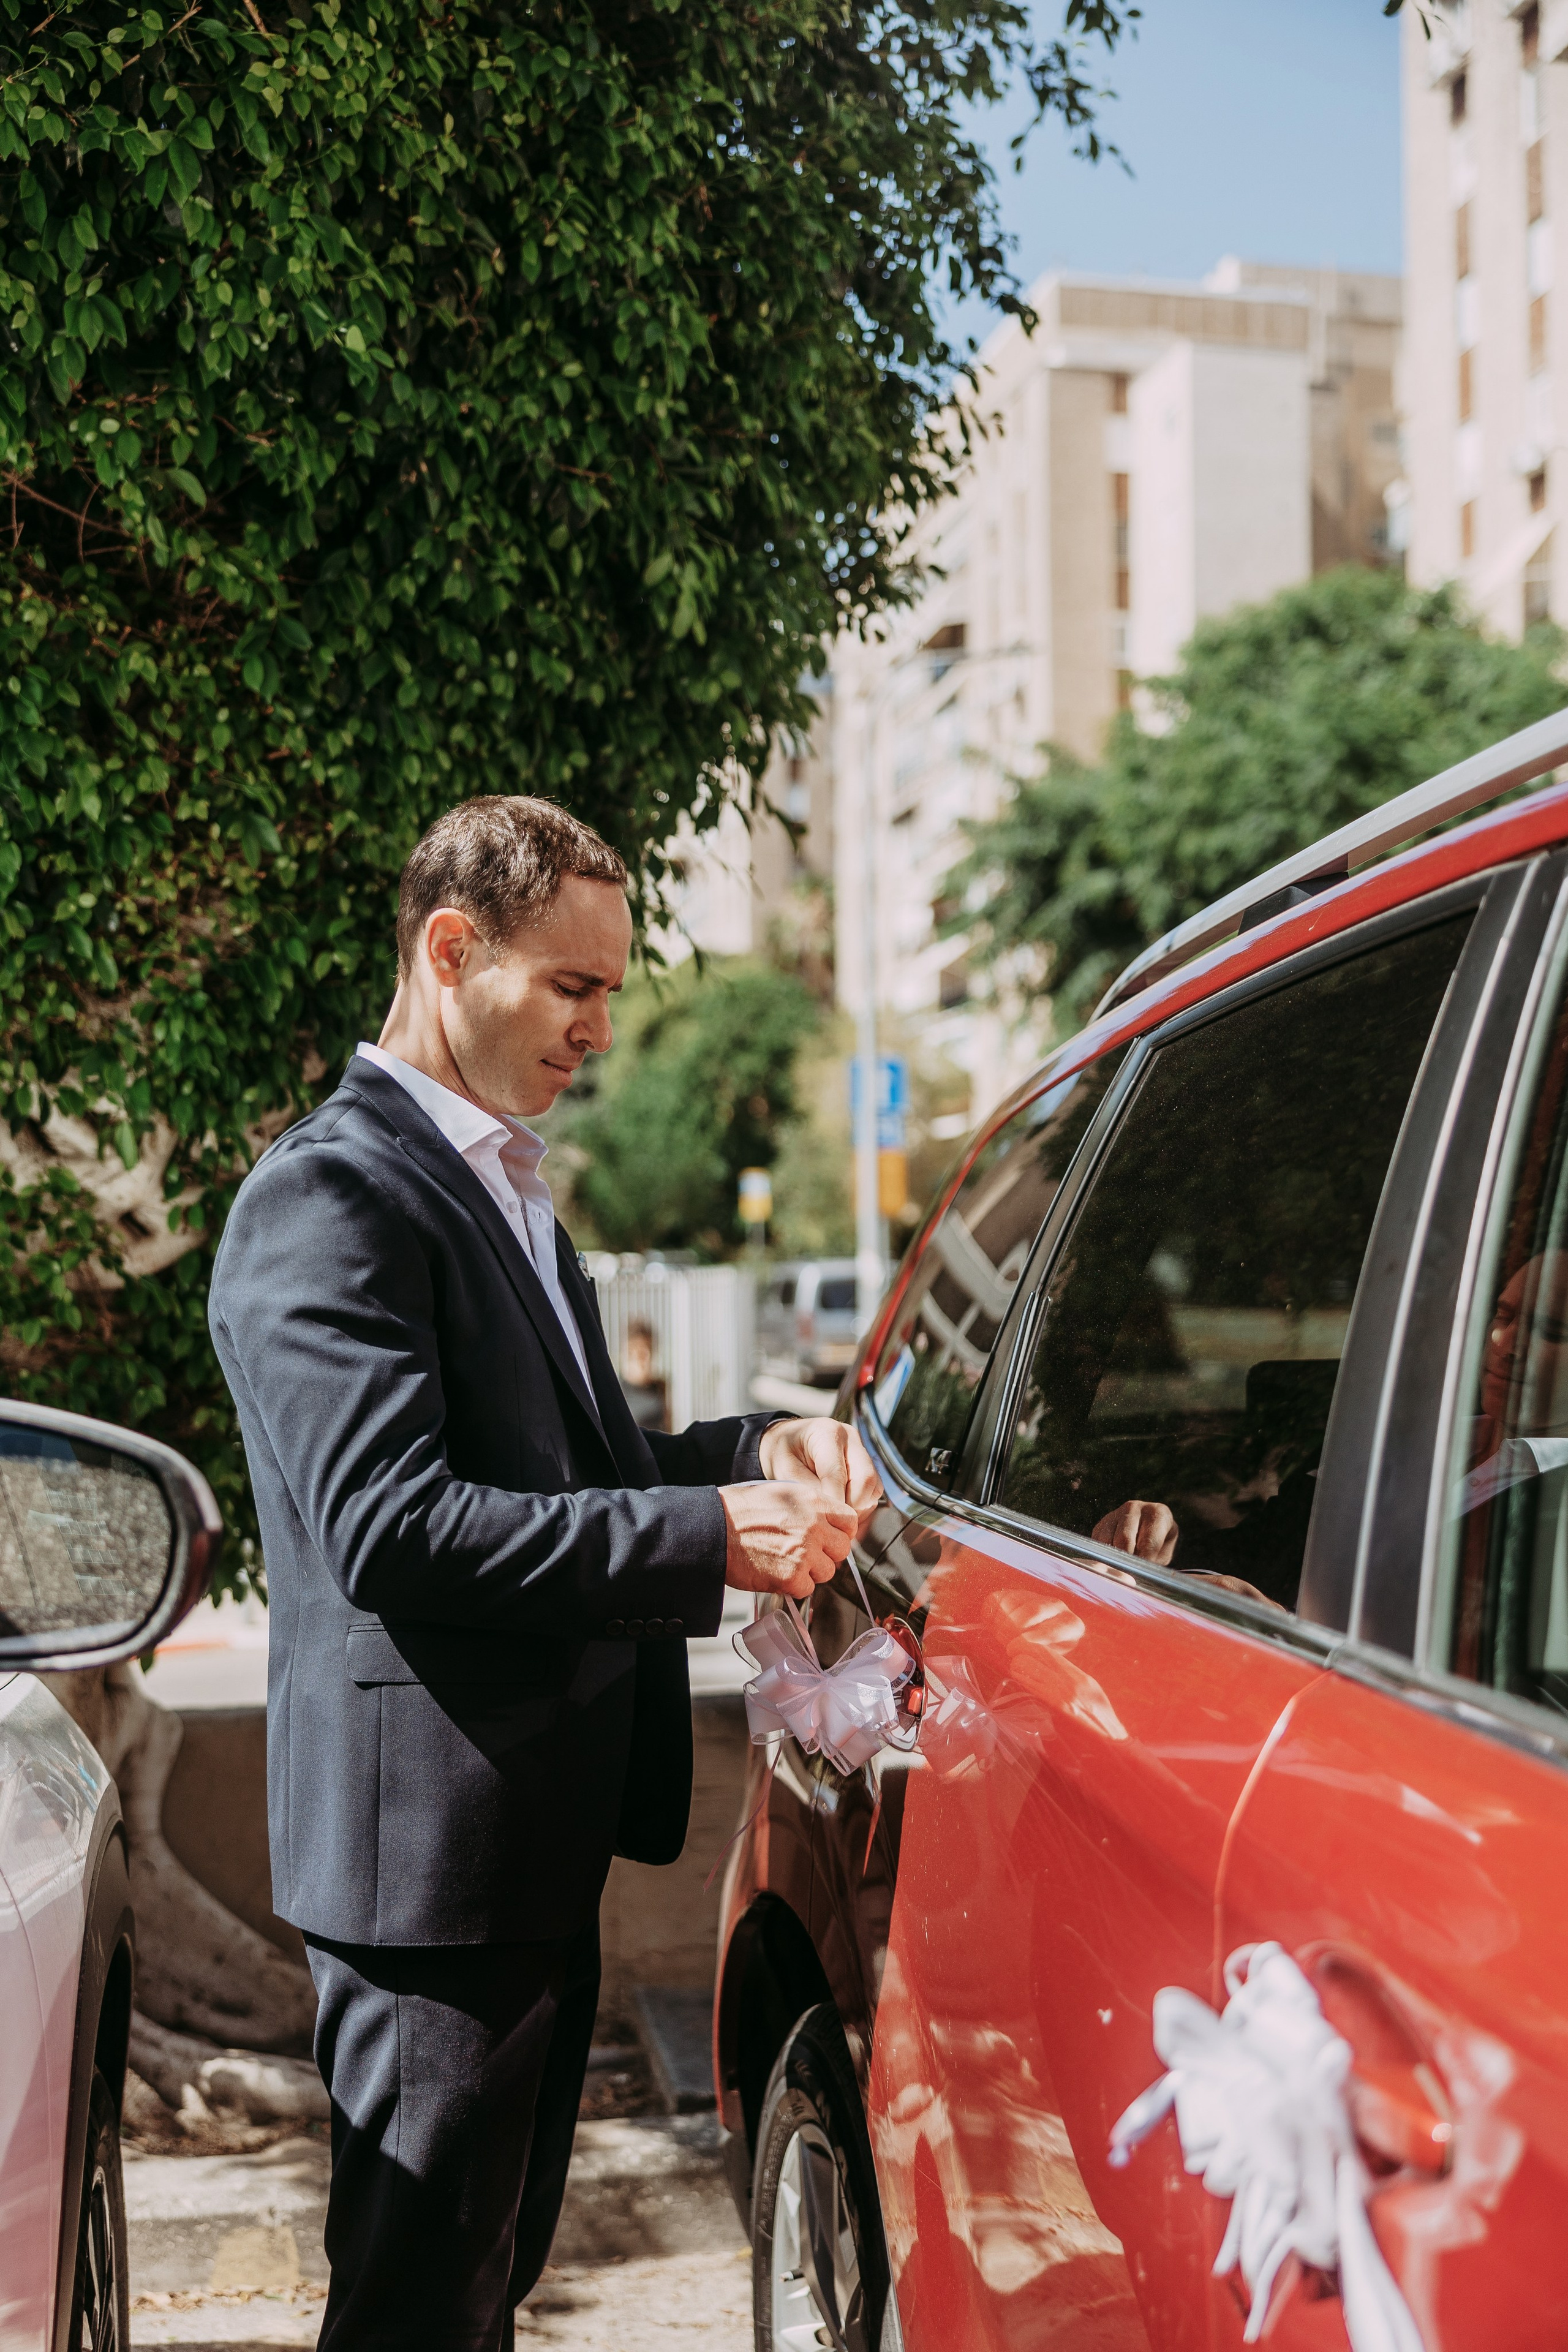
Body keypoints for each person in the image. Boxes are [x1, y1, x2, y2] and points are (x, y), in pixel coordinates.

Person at [208, 796, 880, 2351]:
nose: (596, 1029)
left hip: (519, 1846)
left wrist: (757, 1445)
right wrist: (714, 1537)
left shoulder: (499, 1181)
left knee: (477, 2290)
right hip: (423, 1874)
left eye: (608, 992)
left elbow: (575, 1463)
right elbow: (394, 1525)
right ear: (451, 951)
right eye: (570, 986)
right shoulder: (332, 1192)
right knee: (418, 2309)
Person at [619, 1317, 668, 1432]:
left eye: (650, 1351)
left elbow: (667, 1427)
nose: (647, 1359)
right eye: (641, 1354)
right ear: (630, 1353)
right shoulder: (617, 1390)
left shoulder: (660, 1386)